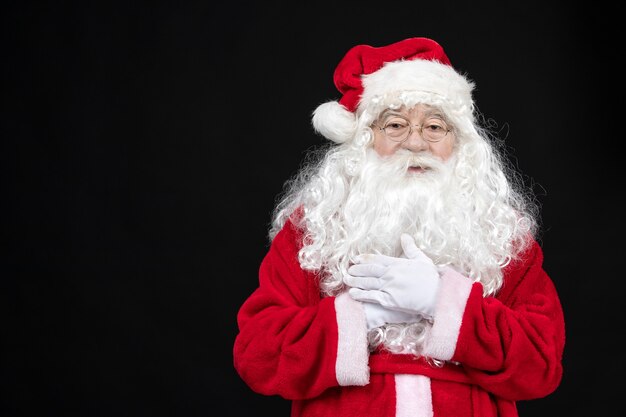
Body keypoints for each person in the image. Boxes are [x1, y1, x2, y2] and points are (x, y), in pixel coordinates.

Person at [233, 37, 565, 417]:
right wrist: (359, 316)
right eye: (395, 125)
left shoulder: (502, 235)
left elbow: (541, 365)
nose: (415, 142)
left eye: (435, 127)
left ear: (459, 143)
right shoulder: (314, 230)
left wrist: (445, 303)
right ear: (365, 138)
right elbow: (257, 357)